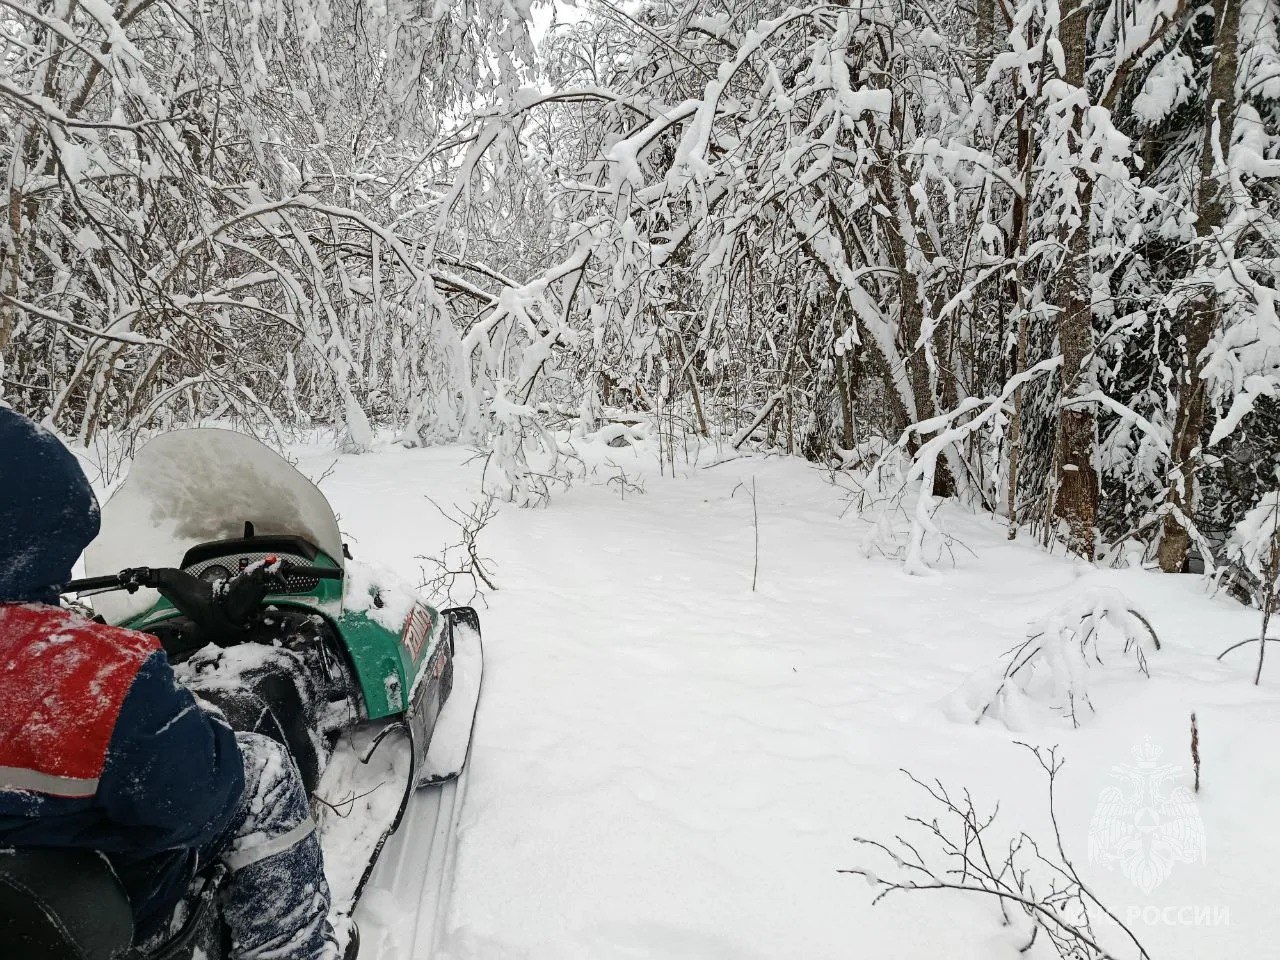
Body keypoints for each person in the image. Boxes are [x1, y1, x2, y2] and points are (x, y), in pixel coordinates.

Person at [0, 407, 341, 959]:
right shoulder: (95, 674)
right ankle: (295, 949)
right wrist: (198, 720)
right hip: (102, 906)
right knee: (261, 769)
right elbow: (197, 801)